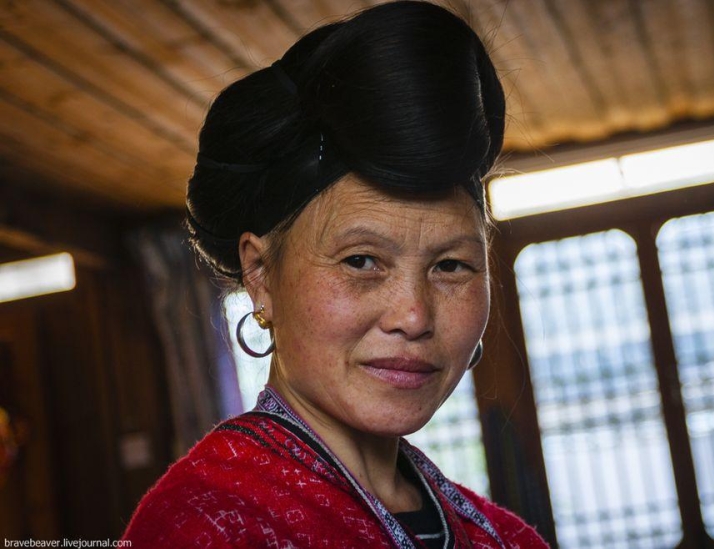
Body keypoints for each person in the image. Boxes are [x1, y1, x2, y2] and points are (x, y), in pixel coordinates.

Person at [122, 1, 550, 547]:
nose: (414, 316)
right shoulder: (205, 526)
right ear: (260, 276)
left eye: (450, 266)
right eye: (361, 261)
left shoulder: (507, 539)